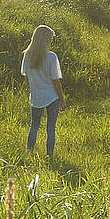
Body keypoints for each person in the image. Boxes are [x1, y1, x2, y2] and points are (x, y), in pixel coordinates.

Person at [22, 25, 66, 155]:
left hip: (36, 96)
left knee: (34, 126)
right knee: (51, 128)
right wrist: (62, 100)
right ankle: (49, 155)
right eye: (50, 39)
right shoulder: (51, 57)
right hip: (52, 96)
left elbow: (26, 77)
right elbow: (55, 81)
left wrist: (32, 91)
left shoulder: (27, 56)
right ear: (46, 39)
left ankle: (29, 151)